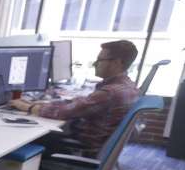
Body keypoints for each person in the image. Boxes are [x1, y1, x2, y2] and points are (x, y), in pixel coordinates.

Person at [9, 40, 139, 155]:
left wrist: (28, 107)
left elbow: (64, 113)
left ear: (117, 62)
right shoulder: (128, 86)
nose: (95, 64)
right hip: (101, 147)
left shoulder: (109, 93)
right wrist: (43, 104)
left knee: (28, 136)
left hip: (84, 148)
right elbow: (82, 105)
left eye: (100, 60)